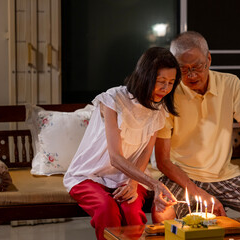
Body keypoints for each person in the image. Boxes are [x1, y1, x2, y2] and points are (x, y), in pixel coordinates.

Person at [152, 31, 240, 223]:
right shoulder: (168, 92)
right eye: (183, 69)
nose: (192, 75)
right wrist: (199, 193)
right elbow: (162, 161)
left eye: (197, 66)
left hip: (225, 175)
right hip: (182, 177)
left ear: (209, 59)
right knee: (168, 217)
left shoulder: (230, 83)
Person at [63, 47, 180, 240]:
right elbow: (115, 158)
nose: (166, 89)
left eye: (170, 83)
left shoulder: (159, 109)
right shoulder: (113, 100)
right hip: (90, 175)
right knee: (107, 210)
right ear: (145, 76)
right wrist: (153, 184)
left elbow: (144, 153)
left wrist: (134, 182)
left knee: (133, 213)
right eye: (161, 82)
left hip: (131, 176)